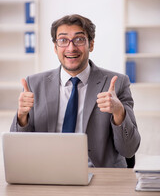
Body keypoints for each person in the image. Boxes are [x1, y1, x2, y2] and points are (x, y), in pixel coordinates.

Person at [10, 14, 140, 168]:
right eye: (63, 40)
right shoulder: (34, 84)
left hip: (101, 176)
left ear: (91, 45)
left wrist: (119, 112)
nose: (71, 48)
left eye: (79, 39)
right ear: (55, 47)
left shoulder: (117, 83)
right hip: (47, 174)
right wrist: (21, 117)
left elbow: (129, 150)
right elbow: (18, 152)